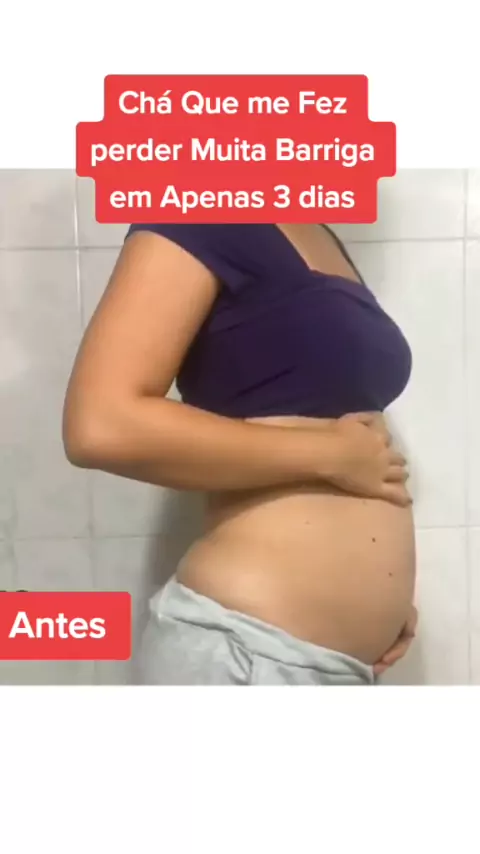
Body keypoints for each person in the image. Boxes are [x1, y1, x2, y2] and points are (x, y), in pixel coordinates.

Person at [63, 222, 417, 686]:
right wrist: (330, 454)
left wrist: (376, 604)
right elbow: (101, 425)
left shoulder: (313, 228)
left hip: (330, 663)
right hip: (249, 654)